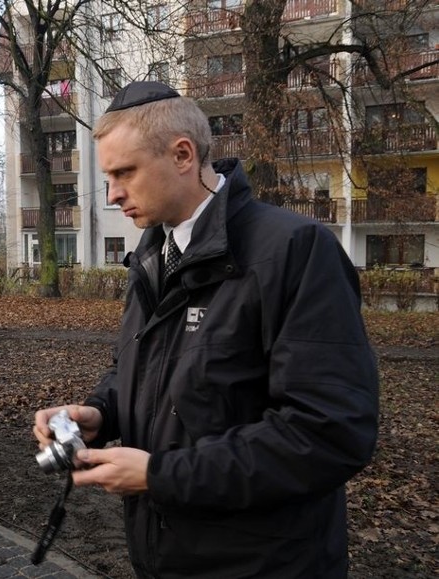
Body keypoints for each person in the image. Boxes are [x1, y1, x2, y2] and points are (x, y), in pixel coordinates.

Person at [33, 81, 379, 578]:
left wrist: (159, 475)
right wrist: (100, 412)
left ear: (182, 154)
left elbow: (329, 432)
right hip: (165, 557)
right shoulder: (152, 256)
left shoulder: (295, 252)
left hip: (265, 564)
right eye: (108, 177)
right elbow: (142, 368)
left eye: (123, 172)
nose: (113, 195)